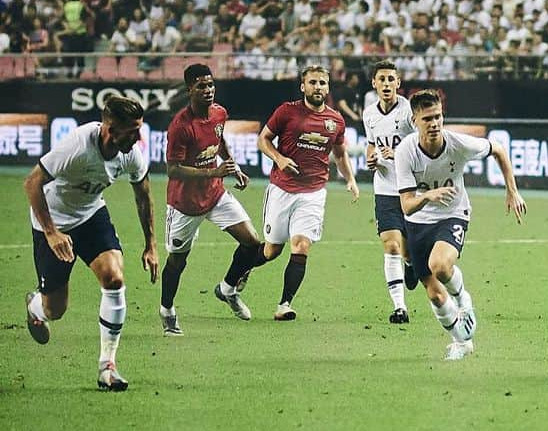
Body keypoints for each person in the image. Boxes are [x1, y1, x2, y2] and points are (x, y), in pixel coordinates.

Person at [24, 94, 159, 392]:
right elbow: (32, 183)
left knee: (114, 278)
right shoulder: (77, 145)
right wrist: (51, 232)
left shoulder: (130, 154)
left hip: (91, 215)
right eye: (132, 131)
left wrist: (151, 244)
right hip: (53, 221)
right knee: (55, 309)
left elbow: (143, 193)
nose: (138, 137)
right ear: (111, 129)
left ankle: (107, 367)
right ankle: (36, 305)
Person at [395, 89, 526, 361]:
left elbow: (498, 150)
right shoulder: (405, 152)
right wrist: (428, 195)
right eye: (427, 119)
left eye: (438, 117)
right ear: (414, 120)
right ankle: (461, 342)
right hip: (417, 221)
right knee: (434, 295)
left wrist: (512, 191)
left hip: (453, 214)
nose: (434, 124)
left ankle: (463, 298)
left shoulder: (458, 144)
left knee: (441, 266)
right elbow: (406, 204)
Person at [159, 62, 264, 336]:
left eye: (210, 85)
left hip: (215, 195)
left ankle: (228, 289)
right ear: (189, 89)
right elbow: (172, 169)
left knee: (252, 243)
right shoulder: (180, 127)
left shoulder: (219, 113)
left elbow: (220, 142)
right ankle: (167, 310)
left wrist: (233, 167)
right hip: (185, 204)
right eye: (201, 86)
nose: (208, 90)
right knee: (177, 262)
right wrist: (213, 171)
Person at [256, 64, 360, 321]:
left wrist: (350, 179)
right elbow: (263, 139)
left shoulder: (335, 120)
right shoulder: (287, 111)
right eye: (312, 82)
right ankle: (235, 277)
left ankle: (284, 305)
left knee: (301, 245)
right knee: (271, 251)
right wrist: (279, 158)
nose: (318, 87)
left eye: (322, 83)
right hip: (282, 189)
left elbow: (339, 153)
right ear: (303, 86)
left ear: (328, 87)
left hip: (313, 192)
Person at [362, 61, 419, 324]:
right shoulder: (369, 114)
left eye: (391, 79)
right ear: (374, 83)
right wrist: (371, 159)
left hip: (411, 188)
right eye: (381, 79)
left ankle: (411, 264)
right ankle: (400, 308)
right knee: (391, 244)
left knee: (409, 251)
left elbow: (424, 144)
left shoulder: (409, 112)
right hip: (384, 188)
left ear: (398, 83)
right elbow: (371, 145)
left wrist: (399, 154)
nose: (386, 84)